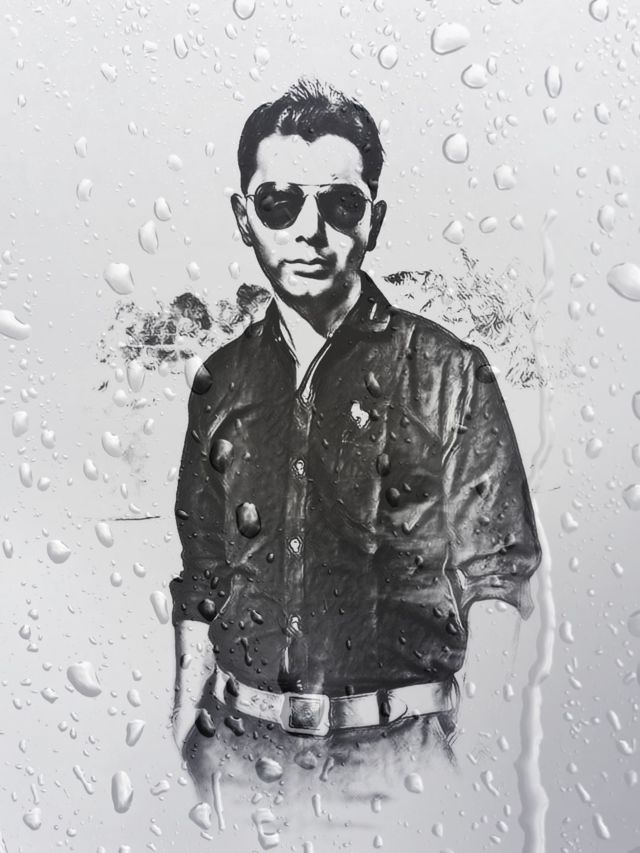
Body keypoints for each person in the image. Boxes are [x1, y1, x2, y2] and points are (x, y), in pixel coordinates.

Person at [169, 78, 541, 819]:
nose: (310, 230)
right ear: (244, 217)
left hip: (399, 767)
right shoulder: (219, 381)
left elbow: (501, 584)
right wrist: (183, 733)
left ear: (374, 218)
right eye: (280, 202)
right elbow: (203, 577)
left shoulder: (449, 374)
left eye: (340, 204)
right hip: (238, 759)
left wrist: (480, 768)